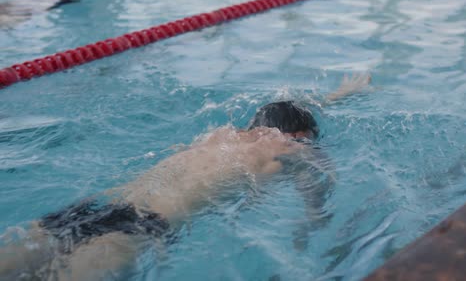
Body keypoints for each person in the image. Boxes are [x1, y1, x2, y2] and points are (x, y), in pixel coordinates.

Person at [0, 73, 371, 280]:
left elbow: (289, 115)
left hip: (91, 208)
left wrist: (338, 95)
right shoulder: (282, 148)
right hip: (141, 229)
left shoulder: (219, 134)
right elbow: (317, 181)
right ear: (295, 137)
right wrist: (315, 219)